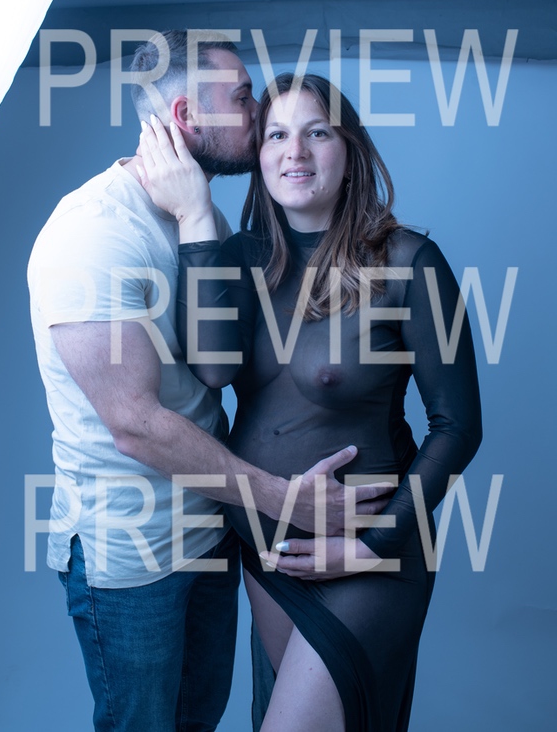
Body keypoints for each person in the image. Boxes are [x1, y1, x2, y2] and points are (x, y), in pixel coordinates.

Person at [27, 34, 390, 732]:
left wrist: (198, 219)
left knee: (200, 719)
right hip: (133, 556)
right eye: (244, 99)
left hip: (209, 531)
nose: (260, 113)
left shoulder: (200, 215)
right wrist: (282, 498)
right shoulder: (92, 235)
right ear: (189, 114)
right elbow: (136, 425)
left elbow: (213, 370)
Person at [137, 71, 483, 732]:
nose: (294, 152)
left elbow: (458, 426)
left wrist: (374, 545)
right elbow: (212, 368)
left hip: (372, 550)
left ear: (349, 149)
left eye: (317, 133)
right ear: (259, 155)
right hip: (268, 552)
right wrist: (195, 219)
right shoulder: (236, 258)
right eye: (276, 135)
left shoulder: (408, 263)